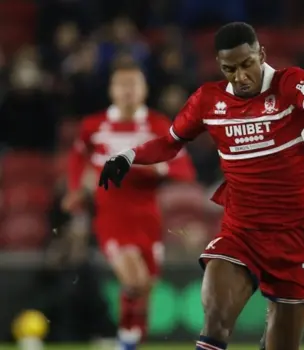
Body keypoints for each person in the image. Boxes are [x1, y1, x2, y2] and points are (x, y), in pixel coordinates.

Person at [97, 22, 304, 350]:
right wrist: (130, 156)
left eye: (247, 64)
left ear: (261, 54)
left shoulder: (290, 82)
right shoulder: (208, 100)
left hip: (294, 236)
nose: (241, 76)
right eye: (230, 69)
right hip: (240, 232)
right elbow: (171, 141)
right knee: (215, 318)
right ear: (220, 66)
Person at [62, 61, 196, 350]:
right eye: (121, 85)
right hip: (112, 215)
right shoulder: (93, 126)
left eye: (133, 84)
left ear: (144, 89)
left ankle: (128, 341)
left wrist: (153, 170)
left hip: (148, 218)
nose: (127, 91)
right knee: (134, 280)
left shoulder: (160, 126)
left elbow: (185, 171)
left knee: (145, 287)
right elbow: (77, 158)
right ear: (111, 89)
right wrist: (75, 190)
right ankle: (126, 341)